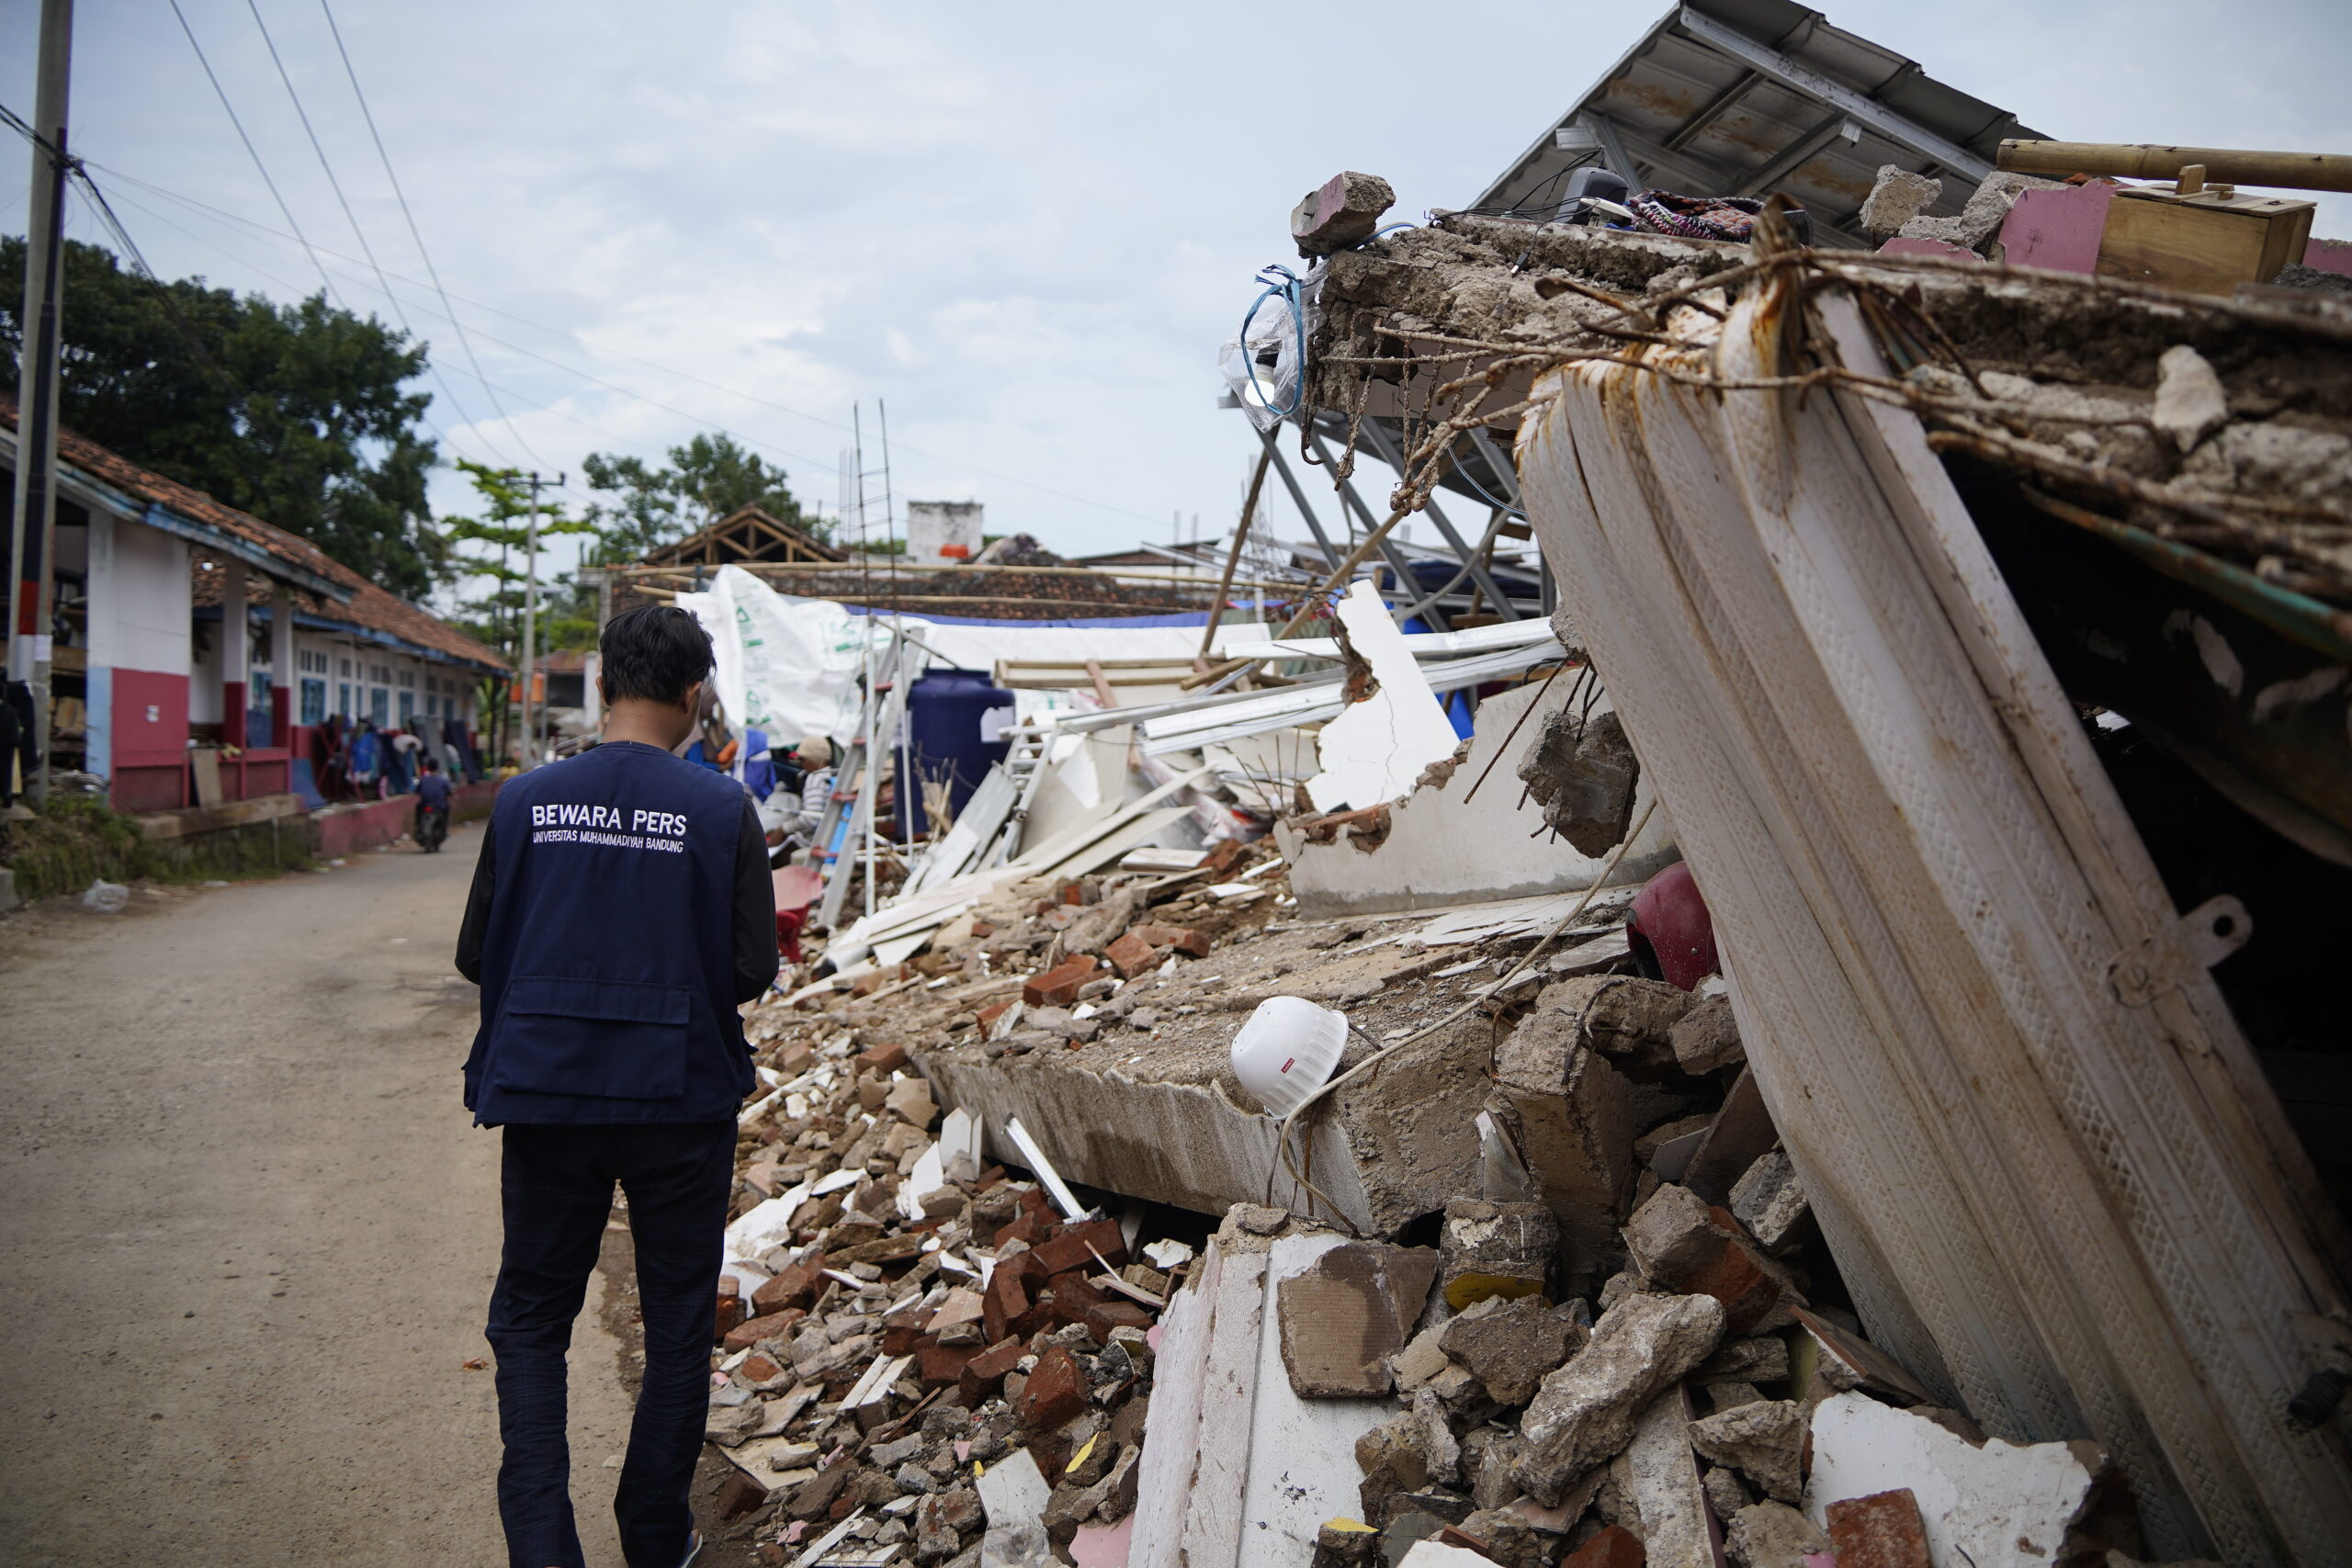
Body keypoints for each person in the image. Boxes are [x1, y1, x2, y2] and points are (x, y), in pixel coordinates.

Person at [456, 605, 777, 1568]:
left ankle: (544, 1549)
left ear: (603, 686)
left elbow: (479, 955)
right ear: (692, 697)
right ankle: (651, 1536)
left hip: (547, 1095)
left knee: (529, 1320)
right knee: (678, 1322)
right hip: (679, 1098)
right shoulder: (721, 810)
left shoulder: (523, 802)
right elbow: (752, 966)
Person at [414, 755, 453, 851]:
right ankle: (444, 827)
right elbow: (449, 792)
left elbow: (417, 791)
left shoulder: (423, 779)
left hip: (424, 806)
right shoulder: (442, 780)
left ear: (428, 767)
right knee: (447, 808)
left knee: (418, 808)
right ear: (437, 767)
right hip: (438, 807)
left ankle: (418, 825)